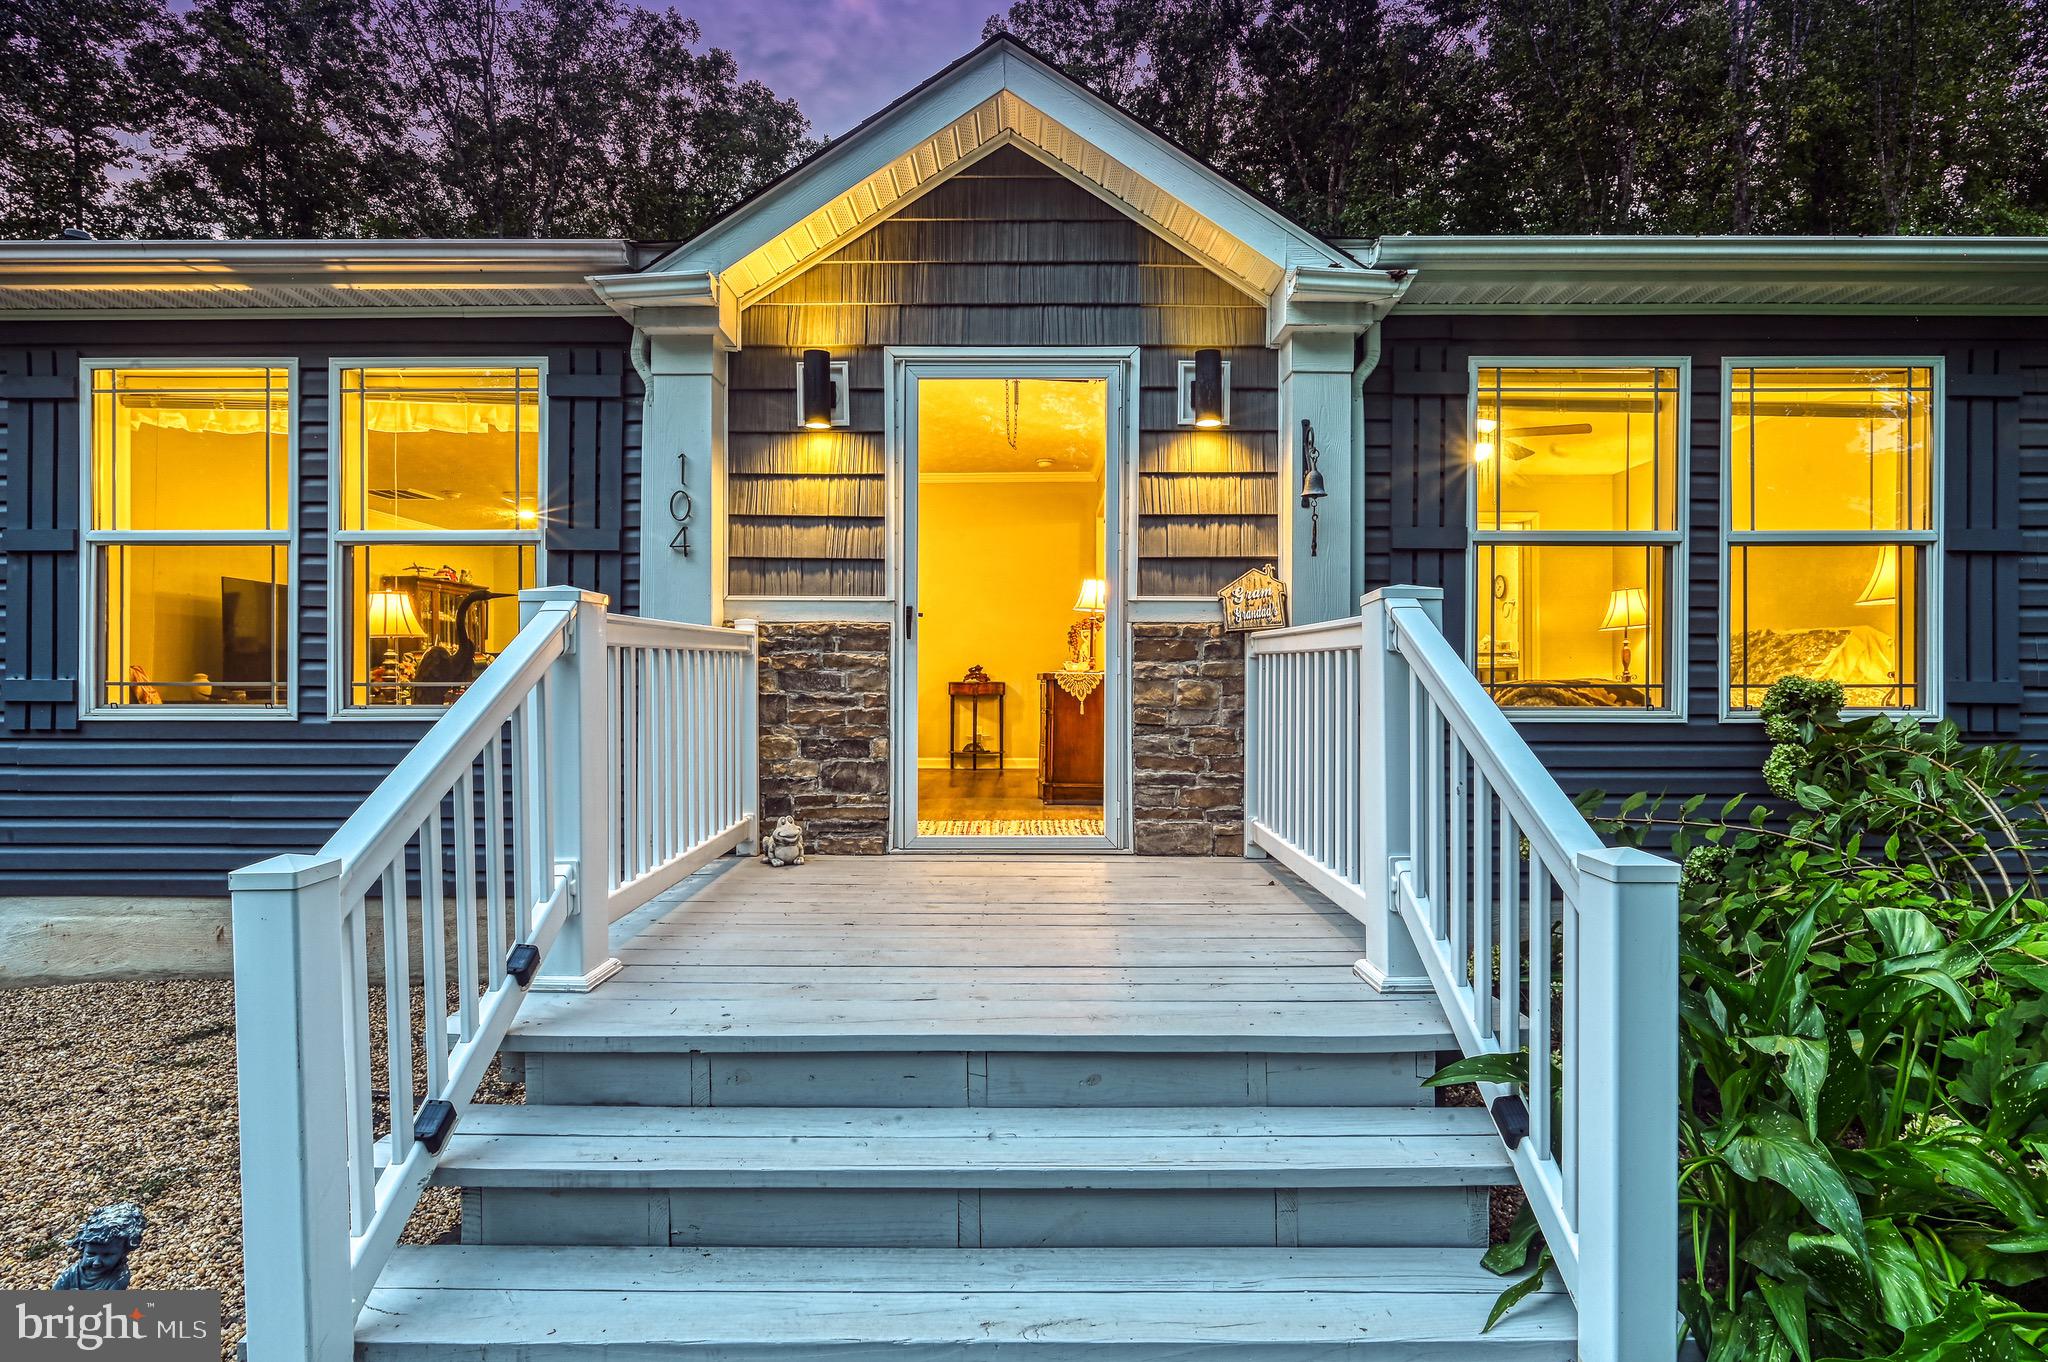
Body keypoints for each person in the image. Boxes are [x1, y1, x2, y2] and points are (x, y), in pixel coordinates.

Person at [52, 1203, 146, 1290]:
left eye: (107, 1255)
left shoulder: (118, 1278)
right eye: (91, 1254)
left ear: (123, 1253)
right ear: (82, 1248)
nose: (96, 1262)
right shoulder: (72, 1274)